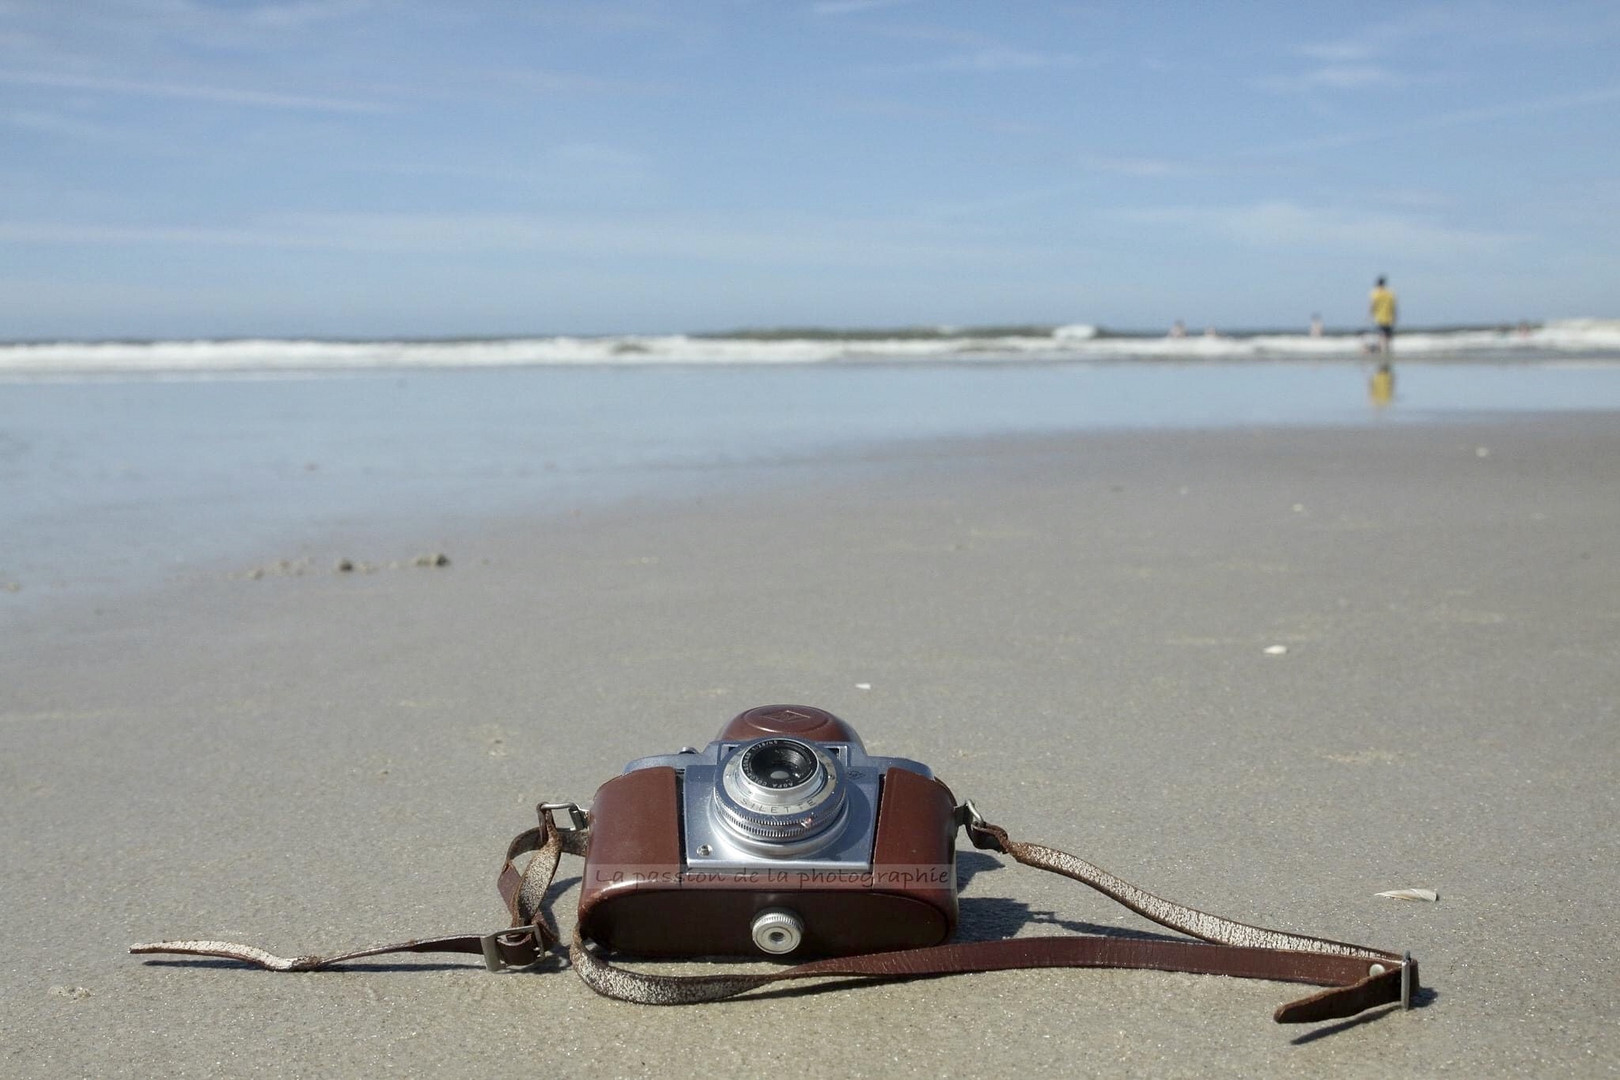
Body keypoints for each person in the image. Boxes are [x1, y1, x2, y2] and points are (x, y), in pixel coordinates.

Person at [1368, 276, 1397, 355]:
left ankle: (1383, 350)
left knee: (1381, 334)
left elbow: (1372, 305)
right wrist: (1395, 315)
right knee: (1388, 335)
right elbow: (1393, 306)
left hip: (1379, 317)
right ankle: (1387, 349)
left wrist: (1370, 315)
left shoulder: (1375, 293)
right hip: (1389, 316)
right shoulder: (1390, 293)